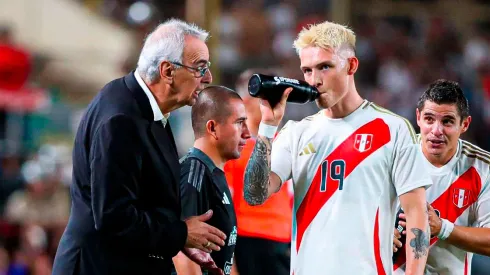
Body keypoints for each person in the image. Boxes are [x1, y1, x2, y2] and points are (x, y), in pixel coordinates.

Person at [243, 20, 432, 275]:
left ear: (351, 65)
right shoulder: (296, 133)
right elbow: (255, 195)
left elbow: (417, 215)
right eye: (307, 70)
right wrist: (267, 126)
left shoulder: (392, 129)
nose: (314, 80)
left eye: (325, 67)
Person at [52, 19, 227, 275]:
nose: (208, 78)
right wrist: (180, 234)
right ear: (167, 71)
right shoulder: (120, 120)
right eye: (200, 68)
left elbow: (144, 199)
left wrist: (180, 239)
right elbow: (114, 218)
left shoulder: (145, 105)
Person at [392, 79, 490, 275]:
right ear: (418, 117)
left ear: (465, 124)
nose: (436, 131)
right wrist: (379, 231)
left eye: (447, 121)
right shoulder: (393, 156)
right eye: (429, 119)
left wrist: (443, 228)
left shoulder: (483, 168)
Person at [172, 86, 251, 275]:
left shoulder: (214, 173)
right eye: (239, 123)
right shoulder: (194, 172)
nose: (247, 133)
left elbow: (224, 257)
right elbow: (181, 253)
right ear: (212, 128)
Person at [223, 69, 292, 275]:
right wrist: (229, 260)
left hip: (283, 240)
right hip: (247, 239)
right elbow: (224, 204)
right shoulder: (233, 147)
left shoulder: (288, 142)